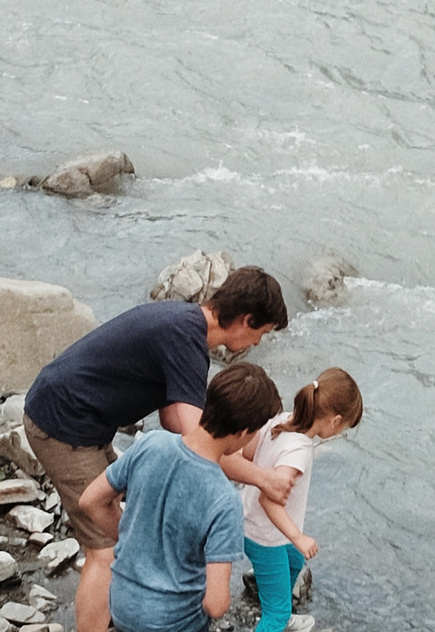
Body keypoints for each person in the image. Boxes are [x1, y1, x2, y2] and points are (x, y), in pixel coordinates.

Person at [25, 268, 289, 632]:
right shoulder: (185, 339)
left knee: (123, 525)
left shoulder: (184, 328)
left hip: (80, 416)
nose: (258, 343)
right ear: (246, 320)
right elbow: (201, 443)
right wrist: (262, 478)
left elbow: (174, 421)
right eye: (261, 333)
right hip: (63, 422)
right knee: (102, 552)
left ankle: (136, 591)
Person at [77, 363, 277, 632]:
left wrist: (132, 540)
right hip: (171, 622)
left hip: (122, 603)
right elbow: (216, 605)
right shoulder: (224, 500)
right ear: (243, 433)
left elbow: (90, 500)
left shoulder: (152, 443)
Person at [236, 369, 362, 632]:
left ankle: (275, 598)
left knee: (295, 560)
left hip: (253, 521)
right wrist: (298, 536)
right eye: (345, 429)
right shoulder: (299, 452)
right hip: (264, 536)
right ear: (334, 421)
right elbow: (268, 500)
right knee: (277, 615)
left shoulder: (282, 421)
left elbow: (248, 452)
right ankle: (276, 615)